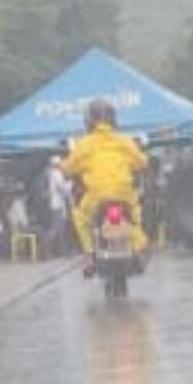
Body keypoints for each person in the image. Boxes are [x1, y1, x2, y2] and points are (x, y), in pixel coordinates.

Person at [61, 99, 149, 277]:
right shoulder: (124, 141)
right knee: (134, 217)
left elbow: (69, 168)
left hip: (96, 197)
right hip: (123, 195)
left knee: (80, 218)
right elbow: (141, 162)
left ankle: (89, 257)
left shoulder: (84, 144)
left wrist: (64, 168)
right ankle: (139, 251)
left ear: (89, 120)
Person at [44, 154, 72, 258]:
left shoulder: (52, 173)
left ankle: (64, 251)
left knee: (61, 229)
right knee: (56, 228)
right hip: (58, 205)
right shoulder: (56, 174)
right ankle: (44, 248)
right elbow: (62, 189)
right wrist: (69, 185)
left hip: (58, 204)